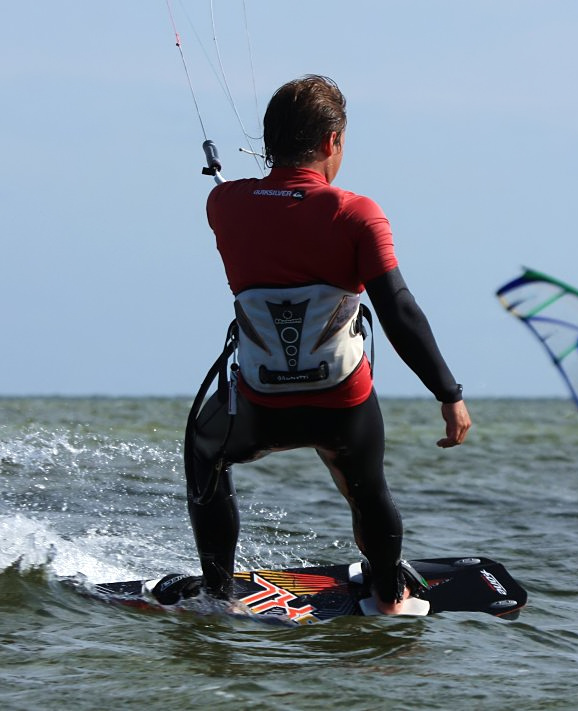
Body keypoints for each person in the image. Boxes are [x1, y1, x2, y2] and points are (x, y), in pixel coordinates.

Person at [180, 75, 471, 615]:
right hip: (342, 403)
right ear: (331, 142)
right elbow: (399, 310)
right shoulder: (357, 213)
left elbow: (255, 201)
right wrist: (447, 393)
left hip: (259, 405)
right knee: (368, 489)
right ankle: (388, 596)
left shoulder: (223, 204)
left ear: (269, 141)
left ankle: (218, 594)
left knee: (203, 453)